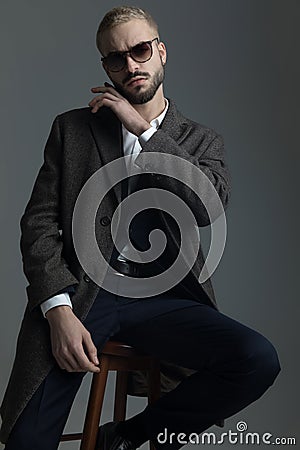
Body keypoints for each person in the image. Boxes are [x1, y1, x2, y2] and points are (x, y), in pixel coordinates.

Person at [0, 6, 281, 450]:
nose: (130, 64)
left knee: (256, 359)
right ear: (105, 67)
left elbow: (207, 206)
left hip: (162, 300)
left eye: (140, 50)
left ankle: (131, 434)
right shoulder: (72, 129)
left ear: (161, 52)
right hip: (81, 297)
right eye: (116, 58)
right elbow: (38, 223)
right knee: (26, 440)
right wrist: (57, 310)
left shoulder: (201, 140)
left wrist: (144, 130)